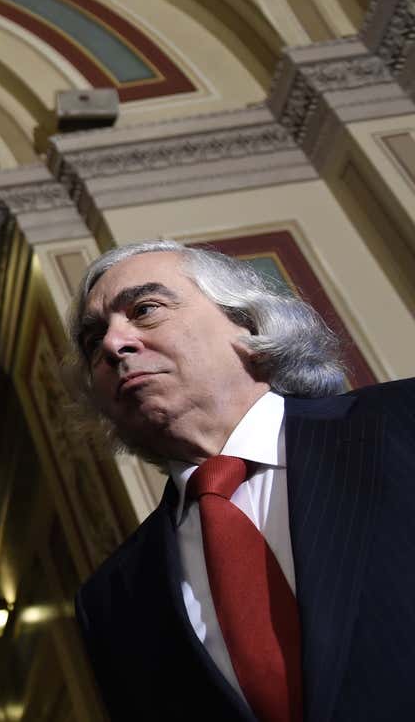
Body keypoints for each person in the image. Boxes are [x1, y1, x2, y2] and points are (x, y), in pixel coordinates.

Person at [68, 239, 414, 722]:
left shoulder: (402, 423)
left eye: (145, 309)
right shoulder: (110, 600)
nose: (112, 344)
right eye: (92, 341)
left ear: (247, 321)